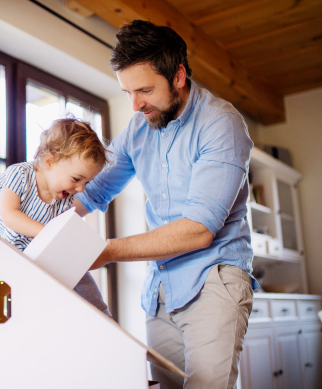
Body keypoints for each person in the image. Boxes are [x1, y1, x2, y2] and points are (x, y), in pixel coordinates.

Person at [73, 20, 257, 388]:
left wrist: (104, 252)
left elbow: (199, 229)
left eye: (144, 89)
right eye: (127, 92)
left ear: (179, 75)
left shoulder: (221, 123)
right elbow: (90, 193)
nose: (136, 103)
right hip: (161, 291)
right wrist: (33, 211)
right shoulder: (139, 129)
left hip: (213, 280)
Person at [0, 118, 112, 316]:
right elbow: (9, 215)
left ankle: (101, 316)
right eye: (76, 179)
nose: (80, 189)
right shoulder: (20, 175)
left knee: (80, 276)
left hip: (27, 259)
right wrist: (48, 233)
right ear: (49, 162)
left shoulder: (63, 200)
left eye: (86, 183)